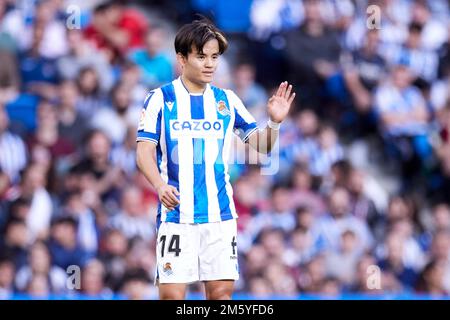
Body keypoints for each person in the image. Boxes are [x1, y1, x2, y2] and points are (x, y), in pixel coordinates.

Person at [136, 17, 295, 300]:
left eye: (214, 57)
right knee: (172, 297)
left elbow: (262, 146)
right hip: (177, 217)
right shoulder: (159, 99)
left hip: (220, 217)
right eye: (201, 57)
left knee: (221, 297)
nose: (210, 64)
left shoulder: (227, 100)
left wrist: (273, 123)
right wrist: (160, 186)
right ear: (182, 59)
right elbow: (143, 152)